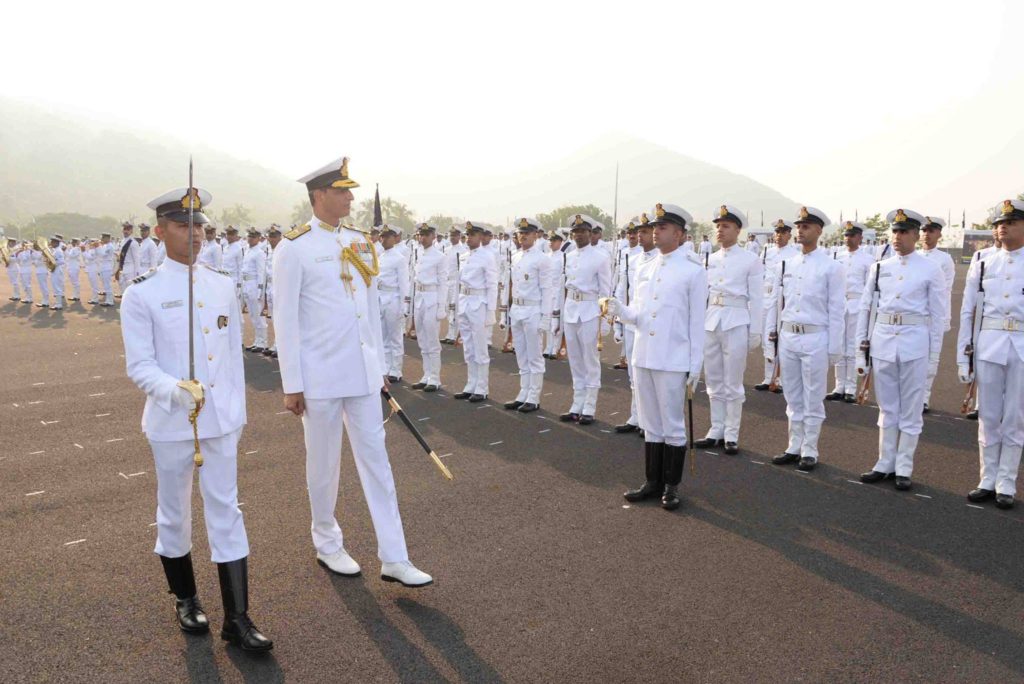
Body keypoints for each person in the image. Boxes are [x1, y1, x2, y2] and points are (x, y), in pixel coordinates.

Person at [120, 186, 272, 652]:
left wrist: (236, 414)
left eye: (200, 225)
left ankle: (238, 617)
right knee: (175, 512)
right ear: (161, 231)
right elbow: (140, 365)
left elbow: (232, 358)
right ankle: (185, 598)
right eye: (184, 225)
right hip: (171, 423)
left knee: (227, 509)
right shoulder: (142, 293)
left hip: (221, 423)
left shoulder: (221, 283)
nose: (196, 234)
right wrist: (174, 389)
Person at [274, 156, 431, 586]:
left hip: (362, 373)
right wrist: (292, 384)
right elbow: (285, 321)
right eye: (342, 190)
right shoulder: (294, 247)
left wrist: (379, 366)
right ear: (319, 195)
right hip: (319, 376)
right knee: (323, 465)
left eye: (350, 190)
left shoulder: (362, 242)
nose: (350, 197)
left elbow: (369, 312)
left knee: (377, 462)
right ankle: (327, 543)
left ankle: (394, 556)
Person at [603, 203, 706, 510]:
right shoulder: (644, 267)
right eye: (655, 228)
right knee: (650, 423)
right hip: (644, 356)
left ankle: (671, 485)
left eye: (663, 228)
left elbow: (696, 324)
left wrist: (694, 368)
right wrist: (620, 312)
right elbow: (639, 314)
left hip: (673, 359)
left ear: (680, 234)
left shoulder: (692, 271)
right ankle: (652, 481)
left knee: (673, 425)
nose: (655, 232)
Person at [857, 209, 945, 491]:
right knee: (887, 408)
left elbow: (937, 317)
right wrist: (862, 349)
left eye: (904, 231)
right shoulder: (880, 267)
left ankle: (904, 466)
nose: (897, 237)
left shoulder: (930, 268)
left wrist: (933, 358)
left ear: (916, 235)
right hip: (883, 341)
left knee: (910, 409)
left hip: (914, 343)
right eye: (895, 231)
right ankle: (885, 462)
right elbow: (865, 309)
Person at [766, 206, 845, 471]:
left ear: (819, 231)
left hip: (815, 337)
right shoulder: (786, 263)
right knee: (792, 394)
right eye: (799, 226)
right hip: (789, 335)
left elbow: (836, 310)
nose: (800, 230)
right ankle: (793, 445)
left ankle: (809, 449)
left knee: (813, 396)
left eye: (806, 226)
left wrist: (834, 348)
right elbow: (778, 304)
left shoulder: (831, 267)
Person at [958, 199, 1024, 509]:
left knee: (1015, 416)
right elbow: (968, 310)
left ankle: (1007, 481)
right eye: (999, 222)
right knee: (988, 415)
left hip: (1021, 345)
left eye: (1010, 222)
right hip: (990, 342)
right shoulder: (983, 261)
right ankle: (987, 478)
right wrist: (963, 355)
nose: (1002, 226)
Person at [694, 205, 763, 454]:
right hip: (712, 319)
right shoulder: (710, 258)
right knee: (713, 379)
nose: (719, 231)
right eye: (718, 226)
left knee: (733, 381)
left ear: (738, 230)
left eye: (725, 226)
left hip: (736, 320)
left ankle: (731, 433)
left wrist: (756, 330)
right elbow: (703, 294)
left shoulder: (750, 259)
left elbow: (756, 298)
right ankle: (716, 429)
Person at [558, 215, 612, 425]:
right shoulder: (569, 256)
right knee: (575, 360)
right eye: (575, 231)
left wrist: (605, 320)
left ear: (591, 233)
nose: (578, 235)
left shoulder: (600, 257)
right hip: (571, 309)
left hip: (590, 311)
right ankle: (576, 404)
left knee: (590, 360)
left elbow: (605, 291)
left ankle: (589, 406)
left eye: (582, 231)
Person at [501, 217, 554, 413]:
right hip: (518, 310)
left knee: (534, 356)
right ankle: (523, 393)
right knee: (521, 355)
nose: (522, 236)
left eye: (527, 233)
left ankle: (534, 396)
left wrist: (546, 317)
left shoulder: (542, 259)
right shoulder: (515, 257)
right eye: (520, 233)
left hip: (533, 310)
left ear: (535, 235)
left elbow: (547, 290)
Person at [827, 221, 875, 402]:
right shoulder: (837, 257)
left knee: (853, 347)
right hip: (839, 304)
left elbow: (868, 289)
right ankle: (838, 386)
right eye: (846, 235)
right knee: (838, 346)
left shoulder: (867, 260)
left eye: (852, 235)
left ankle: (850, 388)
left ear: (860, 237)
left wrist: (867, 310)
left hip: (857, 304)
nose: (848, 238)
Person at [454, 221, 498, 401]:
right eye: (467, 234)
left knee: (480, 348)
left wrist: (490, 311)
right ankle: (471, 383)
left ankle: (482, 387)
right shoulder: (464, 256)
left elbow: (492, 285)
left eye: (472, 235)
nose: (469, 238)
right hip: (465, 302)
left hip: (479, 304)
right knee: (468, 348)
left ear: (480, 237)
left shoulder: (487, 257)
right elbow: (459, 283)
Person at [613, 222, 650, 433]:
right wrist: (618, 321)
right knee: (633, 375)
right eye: (638, 232)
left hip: (647, 326)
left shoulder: (660, 261)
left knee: (647, 375)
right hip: (630, 322)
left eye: (644, 232)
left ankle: (647, 421)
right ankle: (635, 416)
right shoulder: (631, 259)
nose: (640, 236)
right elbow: (622, 291)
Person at [755, 219, 799, 392]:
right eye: (777, 232)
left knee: (779, 339)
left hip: (782, 300)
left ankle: (779, 378)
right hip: (765, 298)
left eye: (783, 232)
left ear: (789, 235)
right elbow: (759, 273)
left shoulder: (794, 254)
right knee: (767, 339)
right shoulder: (767, 251)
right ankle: (767, 378)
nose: (779, 235)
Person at [917, 216, 955, 413]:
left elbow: (944, 290)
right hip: (915, 317)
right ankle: (914, 395)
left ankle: (924, 397)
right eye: (924, 230)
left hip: (934, 315)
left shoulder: (944, 259)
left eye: (931, 230)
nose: (926, 234)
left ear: (939, 234)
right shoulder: (913, 256)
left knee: (931, 357)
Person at [409, 223, 448, 392]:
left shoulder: (439, 256)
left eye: (426, 234)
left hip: (432, 298)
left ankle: (435, 378)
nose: (422, 237)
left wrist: (441, 307)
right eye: (420, 234)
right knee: (422, 340)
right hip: (419, 298)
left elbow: (443, 284)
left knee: (432, 341)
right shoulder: (418, 254)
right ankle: (426, 375)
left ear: (433, 236)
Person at [377, 225, 409, 382]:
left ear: (393, 238)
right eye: (382, 237)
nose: (383, 239)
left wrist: (403, 306)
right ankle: (386, 367)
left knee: (395, 336)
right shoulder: (380, 256)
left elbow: (404, 284)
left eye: (387, 237)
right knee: (383, 336)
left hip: (393, 298)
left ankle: (396, 369)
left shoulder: (399, 258)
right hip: (381, 297)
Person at [241, 228, 268, 353]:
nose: (250, 238)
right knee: (252, 315)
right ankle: (257, 341)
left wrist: (259, 291)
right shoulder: (248, 251)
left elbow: (261, 273)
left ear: (258, 238)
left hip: (254, 284)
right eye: (249, 236)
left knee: (258, 315)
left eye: (253, 236)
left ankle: (262, 342)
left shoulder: (259, 253)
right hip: (246, 283)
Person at [115, 222, 141, 296]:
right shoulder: (122, 241)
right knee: (123, 291)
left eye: (128, 229)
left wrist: (137, 274)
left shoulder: (133, 243)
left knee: (130, 292)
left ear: (131, 231)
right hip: (122, 269)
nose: (126, 231)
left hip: (130, 270)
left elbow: (137, 260)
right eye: (124, 229)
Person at [96, 233, 115, 306]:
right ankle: (108, 300)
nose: (101, 239)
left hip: (107, 266)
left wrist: (97, 247)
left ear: (107, 238)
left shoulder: (110, 246)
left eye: (103, 238)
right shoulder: (105, 245)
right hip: (103, 266)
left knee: (107, 285)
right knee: (105, 284)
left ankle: (110, 301)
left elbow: (103, 254)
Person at [48, 235, 66, 310]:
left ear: (56, 243)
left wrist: (53, 263)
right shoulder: (55, 250)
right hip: (55, 269)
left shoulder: (58, 251)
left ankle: (58, 304)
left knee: (57, 287)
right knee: (56, 287)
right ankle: (57, 304)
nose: (51, 244)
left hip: (57, 269)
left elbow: (62, 261)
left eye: (52, 242)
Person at [4, 237, 20, 301]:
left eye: (10, 242)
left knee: (15, 282)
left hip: (14, 268)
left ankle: (17, 296)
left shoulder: (15, 250)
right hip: (10, 268)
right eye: (8, 242)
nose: (8, 243)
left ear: (13, 243)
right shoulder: (9, 249)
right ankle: (15, 295)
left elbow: (15, 259)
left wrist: (8, 258)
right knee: (13, 282)